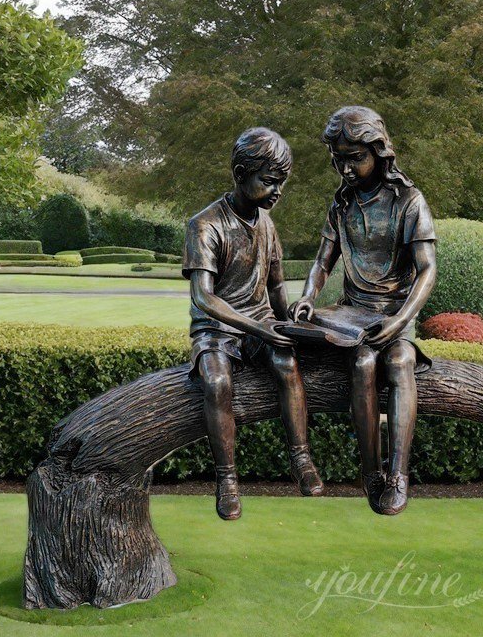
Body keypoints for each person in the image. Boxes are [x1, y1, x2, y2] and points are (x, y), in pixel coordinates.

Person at [290, 106, 436, 515]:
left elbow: (427, 270)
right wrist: (307, 297)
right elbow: (322, 262)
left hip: (394, 314)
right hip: (351, 313)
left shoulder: (408, 200)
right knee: (360, 363)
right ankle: (370, 472)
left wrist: (401, 320)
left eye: (355, 157)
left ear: (378, 151)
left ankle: (399, 475)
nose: (347, 168)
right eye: (340, 160)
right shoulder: (341, 204)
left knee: (401, 360)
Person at [183, 127, 324, 520]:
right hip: (217, 327)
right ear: (241, 173)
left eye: (282, 182)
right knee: (216, 382)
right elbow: (203, 297)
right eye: (269, 180)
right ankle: (227, 479)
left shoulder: (267, 222)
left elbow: (276, 283)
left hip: (260, 322)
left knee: (285, 363)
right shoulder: (204, 225)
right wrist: (258, 328)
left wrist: (289, 319)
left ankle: (301, 458)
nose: (277, 191)